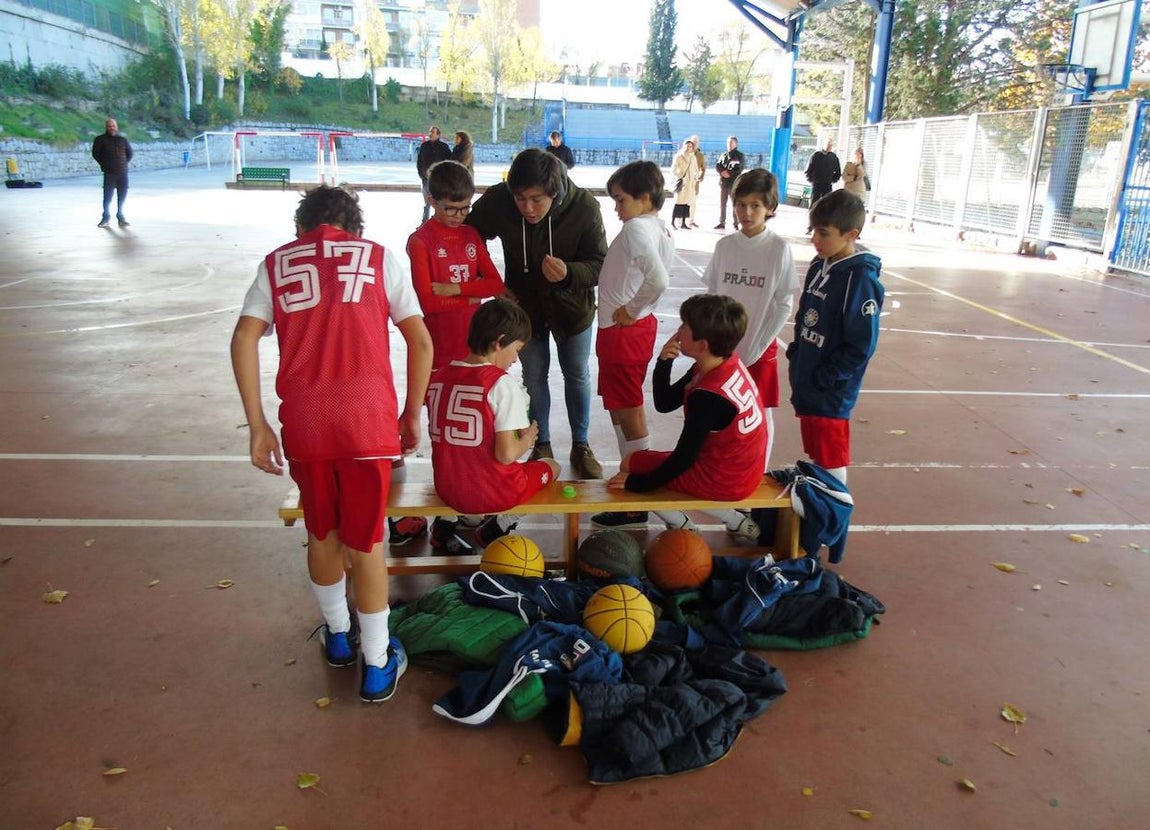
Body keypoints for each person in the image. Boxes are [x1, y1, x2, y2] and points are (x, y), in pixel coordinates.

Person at [230, 185, 434, 704]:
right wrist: (411, 412)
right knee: (366, 544)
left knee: (323, 534)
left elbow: (243, 338)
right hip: (367, 423)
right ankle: (377, 663)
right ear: (355, 230)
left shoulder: (277, 264)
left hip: (307, 424)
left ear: (301, 229)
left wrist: (257, 424)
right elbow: (421, 339)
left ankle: (339, 639)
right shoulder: (379, 259)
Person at [465, 148, 607, 480]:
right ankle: (541, 443)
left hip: (573, 310)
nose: (527, 208)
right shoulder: (499, 201)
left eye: (536, 200)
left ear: (554, 193)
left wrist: (570, 273)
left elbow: (600, 263)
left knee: (577, 374)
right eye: (520, 198)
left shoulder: (585, 208)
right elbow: (469, 236)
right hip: (524, 311)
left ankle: (581, 445)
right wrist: (493, 282)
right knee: (533, 377)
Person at [606, 294, 767, 540]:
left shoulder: (708, 398)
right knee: (639, 467)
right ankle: (733, 520)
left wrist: (636, 485)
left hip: (725, 479)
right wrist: (663, 362)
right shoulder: (721, 362)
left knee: (631, 467)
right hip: (742, 469)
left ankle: (685, 526)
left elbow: (682, 460)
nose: (678, 331)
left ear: (702, 345)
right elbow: (665, 402)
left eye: (684, 326)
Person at [406, 159, 505, 553]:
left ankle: (470, 509)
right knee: (445, 437)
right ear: (432, 201)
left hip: (474, 351)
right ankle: (443, 519)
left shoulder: (470, 234)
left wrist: (453, 290)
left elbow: (496, 283)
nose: (458, 215)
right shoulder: (420, 241)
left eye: (464, 207)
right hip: (439, 353)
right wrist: (466, 293)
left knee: (478, 430)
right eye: (450, 208)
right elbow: (427, 302)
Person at [426, 298, 562, 545]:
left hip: (446, 488)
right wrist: (529, 438)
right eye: (516, 350)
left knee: (461, 458)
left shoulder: (438, 377)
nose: (515, 360)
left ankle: (445, 525)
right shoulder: (501, 383)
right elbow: (506, 454)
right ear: (499, 342)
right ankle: (499, 525)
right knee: (552, 466)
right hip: (493, 493)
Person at [587, 160, 674, 530]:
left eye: (621, 200)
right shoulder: (656, 227)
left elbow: (658, 280)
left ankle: (638, 494)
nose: (616, 208)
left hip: (624, 332)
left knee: (629, 413)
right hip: (624, 331)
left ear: (644, 198)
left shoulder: (639, 228)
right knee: (622, 412)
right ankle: (633, 484)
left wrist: (630, 310)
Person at [701, 167, 798, 470]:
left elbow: (783, 303)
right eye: (741, 204)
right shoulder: (725, 246)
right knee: (719, 408)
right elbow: (713, 296)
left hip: (759, 347)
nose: (746, 212)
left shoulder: (778, 248)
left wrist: (757, 345)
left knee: (758, 412)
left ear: (770, 208)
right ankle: (721, 468)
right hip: (722, 349)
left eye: (755, 205)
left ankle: (755, 473)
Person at [786, 189, 883, 485]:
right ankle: (818, 513)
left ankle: (833, 518)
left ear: (851, 234)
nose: (815, 239)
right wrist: (797, 353)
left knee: (831, 459)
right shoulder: (820, 263)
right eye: (813, 230)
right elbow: (806, 314)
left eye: (823, 233)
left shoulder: (860, 279)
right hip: (808, 381)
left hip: (831, 392)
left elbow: (862, 345)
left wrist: (827, 377)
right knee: (817, 454)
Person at [92, 117, 132, 228]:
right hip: (109, 173)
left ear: (117, 127)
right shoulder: (100, 140)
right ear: (106, 127)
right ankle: (105, 217)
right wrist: (104, 164)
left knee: (122, 196)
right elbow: (96, 154)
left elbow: (130, 154)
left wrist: (122, 164)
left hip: (122, 173)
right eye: (109, 126)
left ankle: (120, 216)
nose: (112, 128)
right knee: (107, 196)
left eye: (113, 126)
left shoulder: (122, 140)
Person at [416, 125, 452, 224]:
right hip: (426, 179)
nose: (430, 134)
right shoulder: (424, 146)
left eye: (433, 132)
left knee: (439, 201)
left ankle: (439, 220)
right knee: (427, 201)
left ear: (438, 135)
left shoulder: (444, 147)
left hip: (438, 180)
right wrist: (421, 174)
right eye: (430, 132)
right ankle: (425, 221)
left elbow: (449, 162)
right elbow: (419, 161)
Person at [713, 135, 745, 230]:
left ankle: (736, 222)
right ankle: (722, 222)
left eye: (731, 142)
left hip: (734, 183)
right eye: (728, 142)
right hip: (724, 183)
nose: (729, 144)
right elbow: (718, 165)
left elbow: (739, 168)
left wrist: (729, 173)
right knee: (722, 204)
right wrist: (722, 172)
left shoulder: (739, 155)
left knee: (735, 204)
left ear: (736, 144)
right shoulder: (724, 155)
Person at [670, 138, 701, 230]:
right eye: (687, 146)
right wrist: (680, 175)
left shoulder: (693, 157)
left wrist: (696, 177)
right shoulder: (679, 156)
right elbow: (674, 168)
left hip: (690, 184)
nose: (689, 148)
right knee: (678, 203)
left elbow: (696, 169)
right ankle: (673, 221)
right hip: (682, 183)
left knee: (686, 204)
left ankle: (683, 222)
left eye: (691, 146)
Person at [805, 138, 841, 205]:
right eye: (828, 144)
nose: (830, 146)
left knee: (826, 203)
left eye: (831, 145)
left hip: (827, 185)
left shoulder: (834, 157)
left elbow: (838, 172)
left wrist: (832, 180)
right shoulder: (816, 155)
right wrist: (812, 180)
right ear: (824, 144)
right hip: (816, 184)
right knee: (814, 203)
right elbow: (808, 170)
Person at [688, 135, 706, 228]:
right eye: (693, 142)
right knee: (683, 202)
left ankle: (691, 220)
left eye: (696, 142)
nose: (694, 144)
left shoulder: (700, 156)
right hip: (685, 182)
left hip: (695, 183)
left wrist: (701, 176)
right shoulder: (685, 153)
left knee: (693, 202)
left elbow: (703, 168)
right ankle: (680, 220)